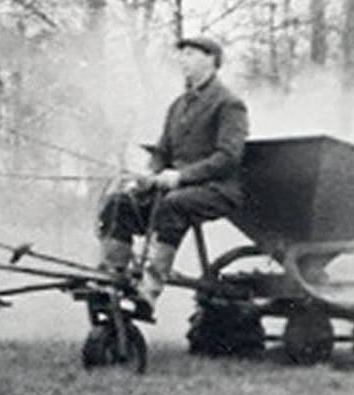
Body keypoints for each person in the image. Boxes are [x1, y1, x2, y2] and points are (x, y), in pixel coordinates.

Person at [96, 36, 249, 318]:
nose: (183, 60)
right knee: (119, 203)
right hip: (174, 187)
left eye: (190, 54)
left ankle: (149, 290)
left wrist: (181, 176)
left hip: (218, 190)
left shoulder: (229, 104)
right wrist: (148, 175)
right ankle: (111, 280)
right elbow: (162, 152)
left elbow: (228, 157)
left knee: (173, 204)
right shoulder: (178, 105)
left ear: (211, 59)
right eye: (182, 55)